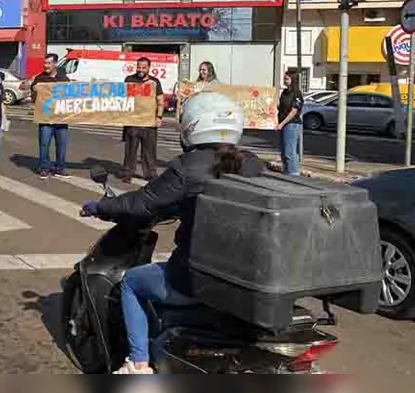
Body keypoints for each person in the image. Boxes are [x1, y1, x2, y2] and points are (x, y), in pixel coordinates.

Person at [81, 92, 265, 374]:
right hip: (243, 273)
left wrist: (100, 206)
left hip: (194, 278)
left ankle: (138, 365)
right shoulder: (252, 163)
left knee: (131, 282)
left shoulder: (188, 166)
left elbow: (140, 203)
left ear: (191, 126)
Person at [122, 58, 164, 183]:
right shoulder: (129, 80)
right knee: (130, 151)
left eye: (143, 67)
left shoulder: (155, 82)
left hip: (149, 123)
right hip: (132, 122)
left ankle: (150, 174)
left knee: (149, 152)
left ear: (149, 68)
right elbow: (123, 98)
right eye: (139, 67)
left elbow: (160, 101)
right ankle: (127, 173)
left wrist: (159, 117)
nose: (140, 70)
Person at [31, 54, 71, 179]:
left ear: (55, 64)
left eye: (49, 63)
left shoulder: (63, 78)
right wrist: (34, 90)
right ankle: (44, 168)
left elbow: (70, 96)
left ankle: (59, 168)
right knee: (44, 144)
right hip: (45, 118)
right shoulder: (39, 79)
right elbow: (34, 99)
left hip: (61, 118)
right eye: (45, 63)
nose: (46, 66)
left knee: (62, 144)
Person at [277, 69, 304, 176]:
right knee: (283, 151)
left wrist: (282, 124)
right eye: (284, 78)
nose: (284, 80)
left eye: (287, 78)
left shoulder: (297, 93)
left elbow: (294, 111)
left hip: (292, 124)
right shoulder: (284, 92)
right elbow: (279, 107)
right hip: (282, 123)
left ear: (293, 80)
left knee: (289, 151)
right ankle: (286, 172)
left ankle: (294, 174)